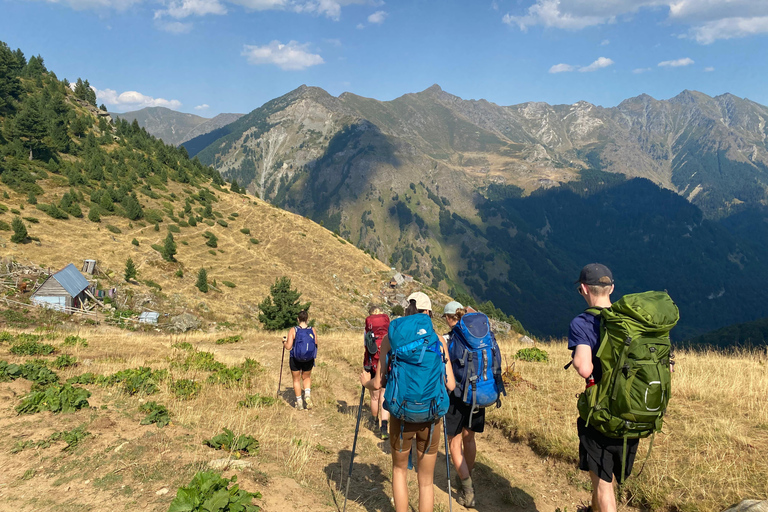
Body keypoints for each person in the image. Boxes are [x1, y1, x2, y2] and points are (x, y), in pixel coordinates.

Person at [360, 292, 456, 512]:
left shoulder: (390, 338)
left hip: (402, 415)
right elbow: (450, 385)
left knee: (399, 470)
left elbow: (378, 384)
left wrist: (366, 382)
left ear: (406, 312)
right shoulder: (438, 339)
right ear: (428, 313)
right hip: (431, 416)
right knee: (426, 481)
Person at [569, 264, 639, 512]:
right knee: (606, 479)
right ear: (611, 288)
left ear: (584, 289)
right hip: (632, 412)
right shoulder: (633, 321)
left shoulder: (583, 322)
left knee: (603, 484)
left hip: (602, 414)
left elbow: (583, 367)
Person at [442, 300, 480, 508]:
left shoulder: (450, 338)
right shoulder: (478, 334)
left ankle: (467, 488)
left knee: (454, 443)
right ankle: (467, 474)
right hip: (478, 394)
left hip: (457, 396)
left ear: (449, 318)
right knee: (470, 439)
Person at [364, 305, 391, 439]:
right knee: (384, 396)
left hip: (373, 364)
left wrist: (366, 365)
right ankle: (384, 427)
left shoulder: (368, 329)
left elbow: (367, 348)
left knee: (374, 396)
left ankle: (374, 421)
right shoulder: (388, 328)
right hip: (387, 365)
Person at [283, 310, 318, 410]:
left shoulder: (293, 330)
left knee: (296, 380)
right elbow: (315, 343)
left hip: (295, 358)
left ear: (298, 319)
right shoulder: (312, 330)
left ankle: (299, 403)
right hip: (309, 359)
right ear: (307, 319)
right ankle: (307, 394)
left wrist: (284, 342)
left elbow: (289, 347)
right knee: (306, 377)